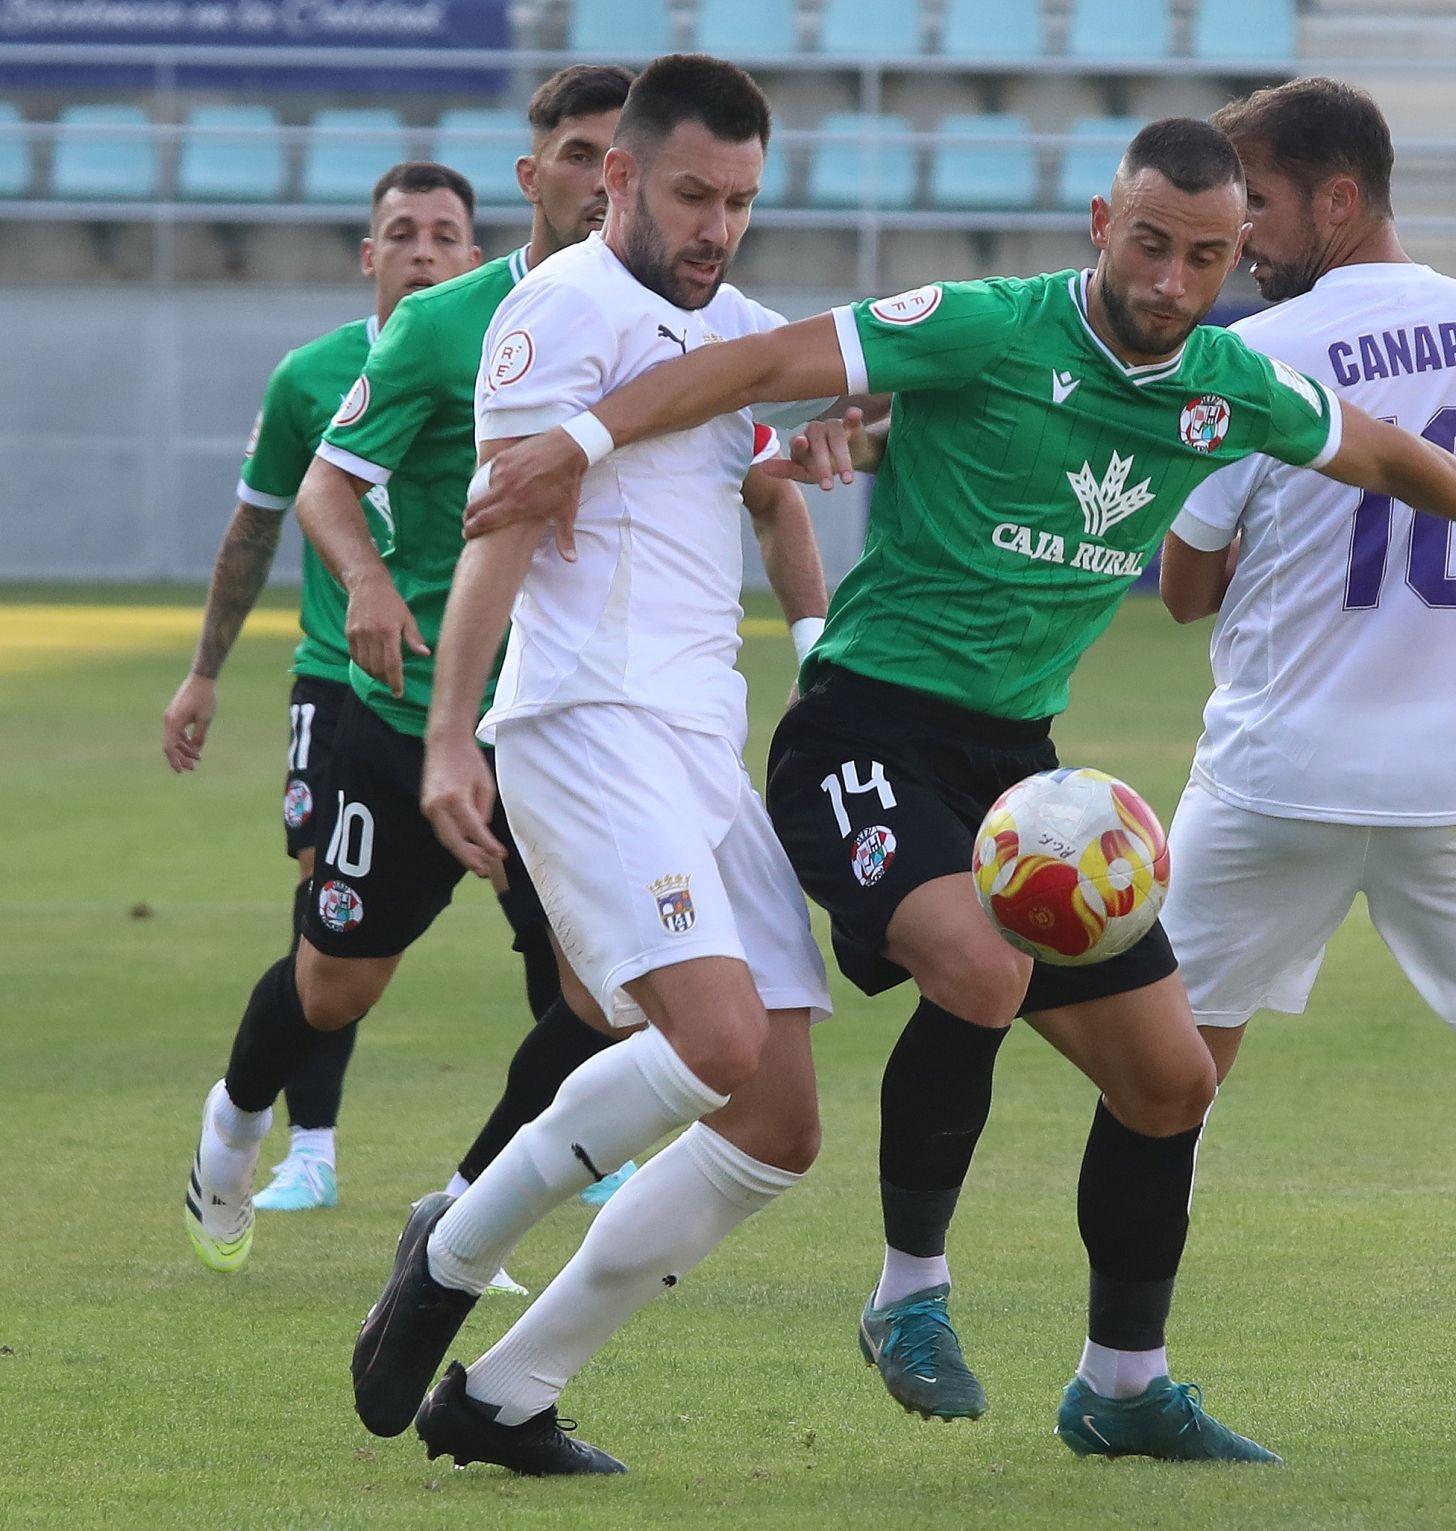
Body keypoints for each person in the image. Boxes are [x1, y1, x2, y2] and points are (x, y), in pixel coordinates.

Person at [461, 116, 1456, 1461]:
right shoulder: (981, 325)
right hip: (865, 728)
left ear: (1238, 251)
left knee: (1171, 1078)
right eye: (1149, 243)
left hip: (1018, 760)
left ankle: (1124, 1385)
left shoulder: (1230, 381)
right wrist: (580, 435)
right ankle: (909, 1290)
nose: (1170, 279)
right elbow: (766, 362)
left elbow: (1386, 455)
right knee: (980, 965)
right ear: (1103, 223)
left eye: (1206, 254)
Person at [348, 55, 832, 1476]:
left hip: (700, 738)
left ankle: (505, 1394)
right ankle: (455, 1235)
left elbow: (773, 479)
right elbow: (499, 526)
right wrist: (452, 736)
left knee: (780, 1122)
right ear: (616, 174)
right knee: (714, 1041)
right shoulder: (555, 310)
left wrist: (819, 613)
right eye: (693, 193)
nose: (717, 226)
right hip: (583, 717)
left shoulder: (739, 326)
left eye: (741, 200)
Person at [1153, 78, 1456, 1448]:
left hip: (1267, 777)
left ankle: (1125, 1361)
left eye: (1257, 201)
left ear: (1337, 198)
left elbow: (1182, 587)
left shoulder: (1262, 351)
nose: (1236, 233)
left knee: (1169, 1079)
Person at [181, 64, 639, 1280]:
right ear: (536, 175)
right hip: (410, 716)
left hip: (570, 727)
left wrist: (819, 439)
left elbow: (761, 427)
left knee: (601, 998)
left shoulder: (673, 321)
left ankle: (463, 1217)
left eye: (623, 155)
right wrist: (370, 585)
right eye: (582, 154)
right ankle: (233, 1125)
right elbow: (325, 487)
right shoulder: (444, 326)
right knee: (334, 986)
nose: (606, 181)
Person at [163, 161, 481, 1213]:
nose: (423, 252)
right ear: (369, 255)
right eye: (402, 233)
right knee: (323, 906)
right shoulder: (312, 377)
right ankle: (310, 1144)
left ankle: (553, 1163)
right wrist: (205, 672)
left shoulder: (514, 360)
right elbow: (258, 523)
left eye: (443, 234)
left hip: (487, 691)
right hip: (340, 678)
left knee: (559, 915)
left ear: (472, 254)